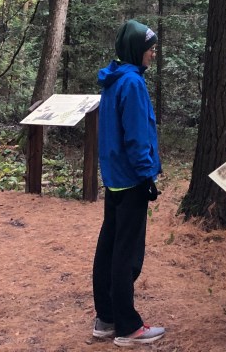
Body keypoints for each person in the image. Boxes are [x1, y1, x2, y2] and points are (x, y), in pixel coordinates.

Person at [92, 19, 165, 346]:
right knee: (127, 254)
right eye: (150, 48)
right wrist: (146, 174)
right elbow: (136, 136)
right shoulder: (132, 83)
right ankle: (128, 327)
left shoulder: (113, 79)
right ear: (137, 49)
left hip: (114, 178)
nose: (153, 53)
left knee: (109, 248)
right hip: (131, 179)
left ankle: (106, 318)